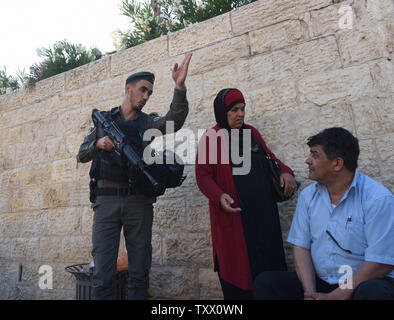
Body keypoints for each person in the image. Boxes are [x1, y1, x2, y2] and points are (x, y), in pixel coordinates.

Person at [77, 53, 192, 300]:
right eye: (142, 90)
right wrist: (98, 144)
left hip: (138, 202)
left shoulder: (148, 123)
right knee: (102, 276)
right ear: (128, 88)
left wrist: (179, 87)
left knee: (139, 273)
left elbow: (174, 122)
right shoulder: (103, 121)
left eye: (149, 93)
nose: (145, 96)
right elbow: (81, 154)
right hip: (106, 202)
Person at [254, 127, 394, 300]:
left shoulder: (378, 199)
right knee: (267, 283)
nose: (308, 160)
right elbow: (301, 246)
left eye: (315, 155)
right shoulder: (308, 195)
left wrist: (336, 296)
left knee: (374, 293)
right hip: (322, 282)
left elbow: (381, 262)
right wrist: (310, 293)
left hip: (360, 282)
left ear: (337, 163)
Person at [195, 88, 298, 299]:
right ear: (222, 112)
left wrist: (286, 172)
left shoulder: (251, 132)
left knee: (269, 271)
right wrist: (219, 196)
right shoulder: (212, 137)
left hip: (264, 217)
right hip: (235, 219)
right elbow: (203, 176)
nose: (240, 114)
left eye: (242, 109)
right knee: (239, 273)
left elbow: (271, 159)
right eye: (234, 110)